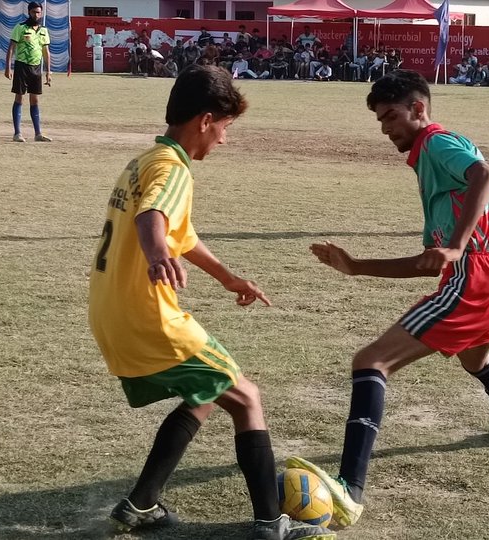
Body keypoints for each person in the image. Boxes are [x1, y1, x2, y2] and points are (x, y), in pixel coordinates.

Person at [284, 70, 489, 530]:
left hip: (479, 276)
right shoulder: (434, 166)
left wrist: (459, 246)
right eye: (381, 121)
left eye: (391, 117)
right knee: (476, 360)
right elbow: (429, 262)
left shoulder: (435, 142)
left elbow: (486, 173)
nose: (387, 129)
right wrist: (356, 265)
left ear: (419, 110)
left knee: (371, 362)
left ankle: (349, 492)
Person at [89, 65, 334, 540]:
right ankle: (270, 523)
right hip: (150, 316)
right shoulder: (173, 168)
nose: (223, 140)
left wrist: (228, 277)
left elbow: (181, 233)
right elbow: (153, 217)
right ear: (205, 120)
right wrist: (158, 251)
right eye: (224, 128)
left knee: (205, 393)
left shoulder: (143, 160)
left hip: (110, 311)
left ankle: (141, 505)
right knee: (246, 397)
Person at [5, 1, 51, 142]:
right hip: (21, 66)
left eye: (38, 12)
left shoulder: (43, 30)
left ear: (41, 13)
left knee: (35, 99)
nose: (36, 15)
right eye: (33, 12)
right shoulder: (20, 27)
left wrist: (48, 72)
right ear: (29, 12)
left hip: (36, 67)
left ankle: (38, 134)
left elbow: (46, 52)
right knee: (19, 97)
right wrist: (8, 67)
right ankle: (17, 133)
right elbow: (11, 47)